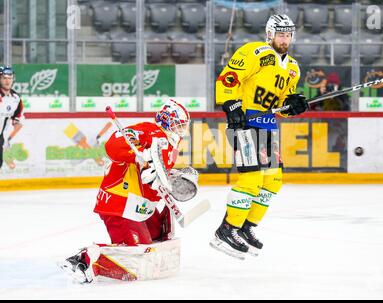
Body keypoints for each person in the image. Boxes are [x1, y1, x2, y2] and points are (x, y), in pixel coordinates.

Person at [59, 99, 198, 283]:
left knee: (157, 241)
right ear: (166, 121)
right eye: (177, 125)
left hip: (139, 204)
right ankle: (85, 260)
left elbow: (149, 178)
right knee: (139, 253)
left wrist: (167, 178)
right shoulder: (151, 131)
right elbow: (113, 146)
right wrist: (139, 156)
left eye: (183, 125)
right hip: (120, 200)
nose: (181, 129)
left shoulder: (172, 145)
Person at [210, 14, 309, 259]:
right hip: (245, 125)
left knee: (272, 182)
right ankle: (227, 229)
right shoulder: (255, 53)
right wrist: (231, 105)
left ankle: (245, 227)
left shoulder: (294, 68)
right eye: (280, 34)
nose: (284, 39)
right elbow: (229, 78)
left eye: (288, 35)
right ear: (270, 34)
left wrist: (292, 106)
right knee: (251, 180)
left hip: (268, 127)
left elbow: (280, 106)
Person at [0, 66, 24, 169]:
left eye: (10, 78)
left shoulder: (16, 98)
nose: (7, 81)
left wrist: (16, 122)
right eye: (4, 78)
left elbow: (17, 117)